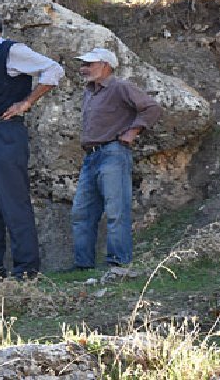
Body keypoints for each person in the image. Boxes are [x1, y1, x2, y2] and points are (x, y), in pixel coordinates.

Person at [0, 8, 64, 278]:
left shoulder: (12, 51)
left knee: (13, 202)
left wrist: (27, 102)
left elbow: (53, 69)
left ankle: (27, 270)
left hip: (5, 135)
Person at [71, 47, 162, 274]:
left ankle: (118, 263)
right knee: (81, 212)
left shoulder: (120, 86)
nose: (84, 68)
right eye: (84, 64)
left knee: (116, 210)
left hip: (113, 153)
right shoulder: (90, 91)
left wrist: (132, 133)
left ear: (106, 65)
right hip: (91, 156)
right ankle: (83, 265)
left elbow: (152, 108)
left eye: (89, 64)